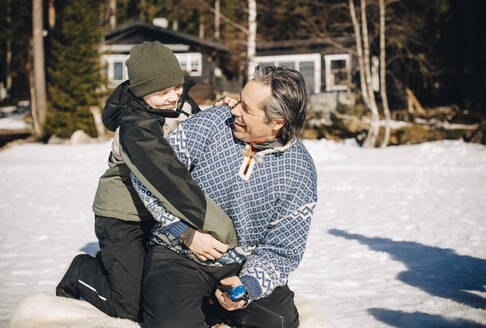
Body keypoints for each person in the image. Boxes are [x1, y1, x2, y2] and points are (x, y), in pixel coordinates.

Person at [55, 41, 237, 321]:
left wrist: (224, 113)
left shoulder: (183, 104)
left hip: (161, 213)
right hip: (123, 216)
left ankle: (118, 266)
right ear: (141, 93)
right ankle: (82, 272)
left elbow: (202, 143)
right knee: (128, 307)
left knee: (159, 294)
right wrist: (214, 228)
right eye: (161, 92)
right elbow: (168, 179)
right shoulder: (134, 127)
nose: (172, 97)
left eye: (176, 87)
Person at [131, 66, 318, 328]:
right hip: (179, 252)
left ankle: (216, 310)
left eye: (246, 109)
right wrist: (184, 231)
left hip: (242, 264)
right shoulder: (211, 125)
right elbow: (148, 174)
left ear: (277, 122)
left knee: (281, 323)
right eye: (239, 100)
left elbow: (283, 249)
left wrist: (248, 286)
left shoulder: (298, 170)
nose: (233, 110)